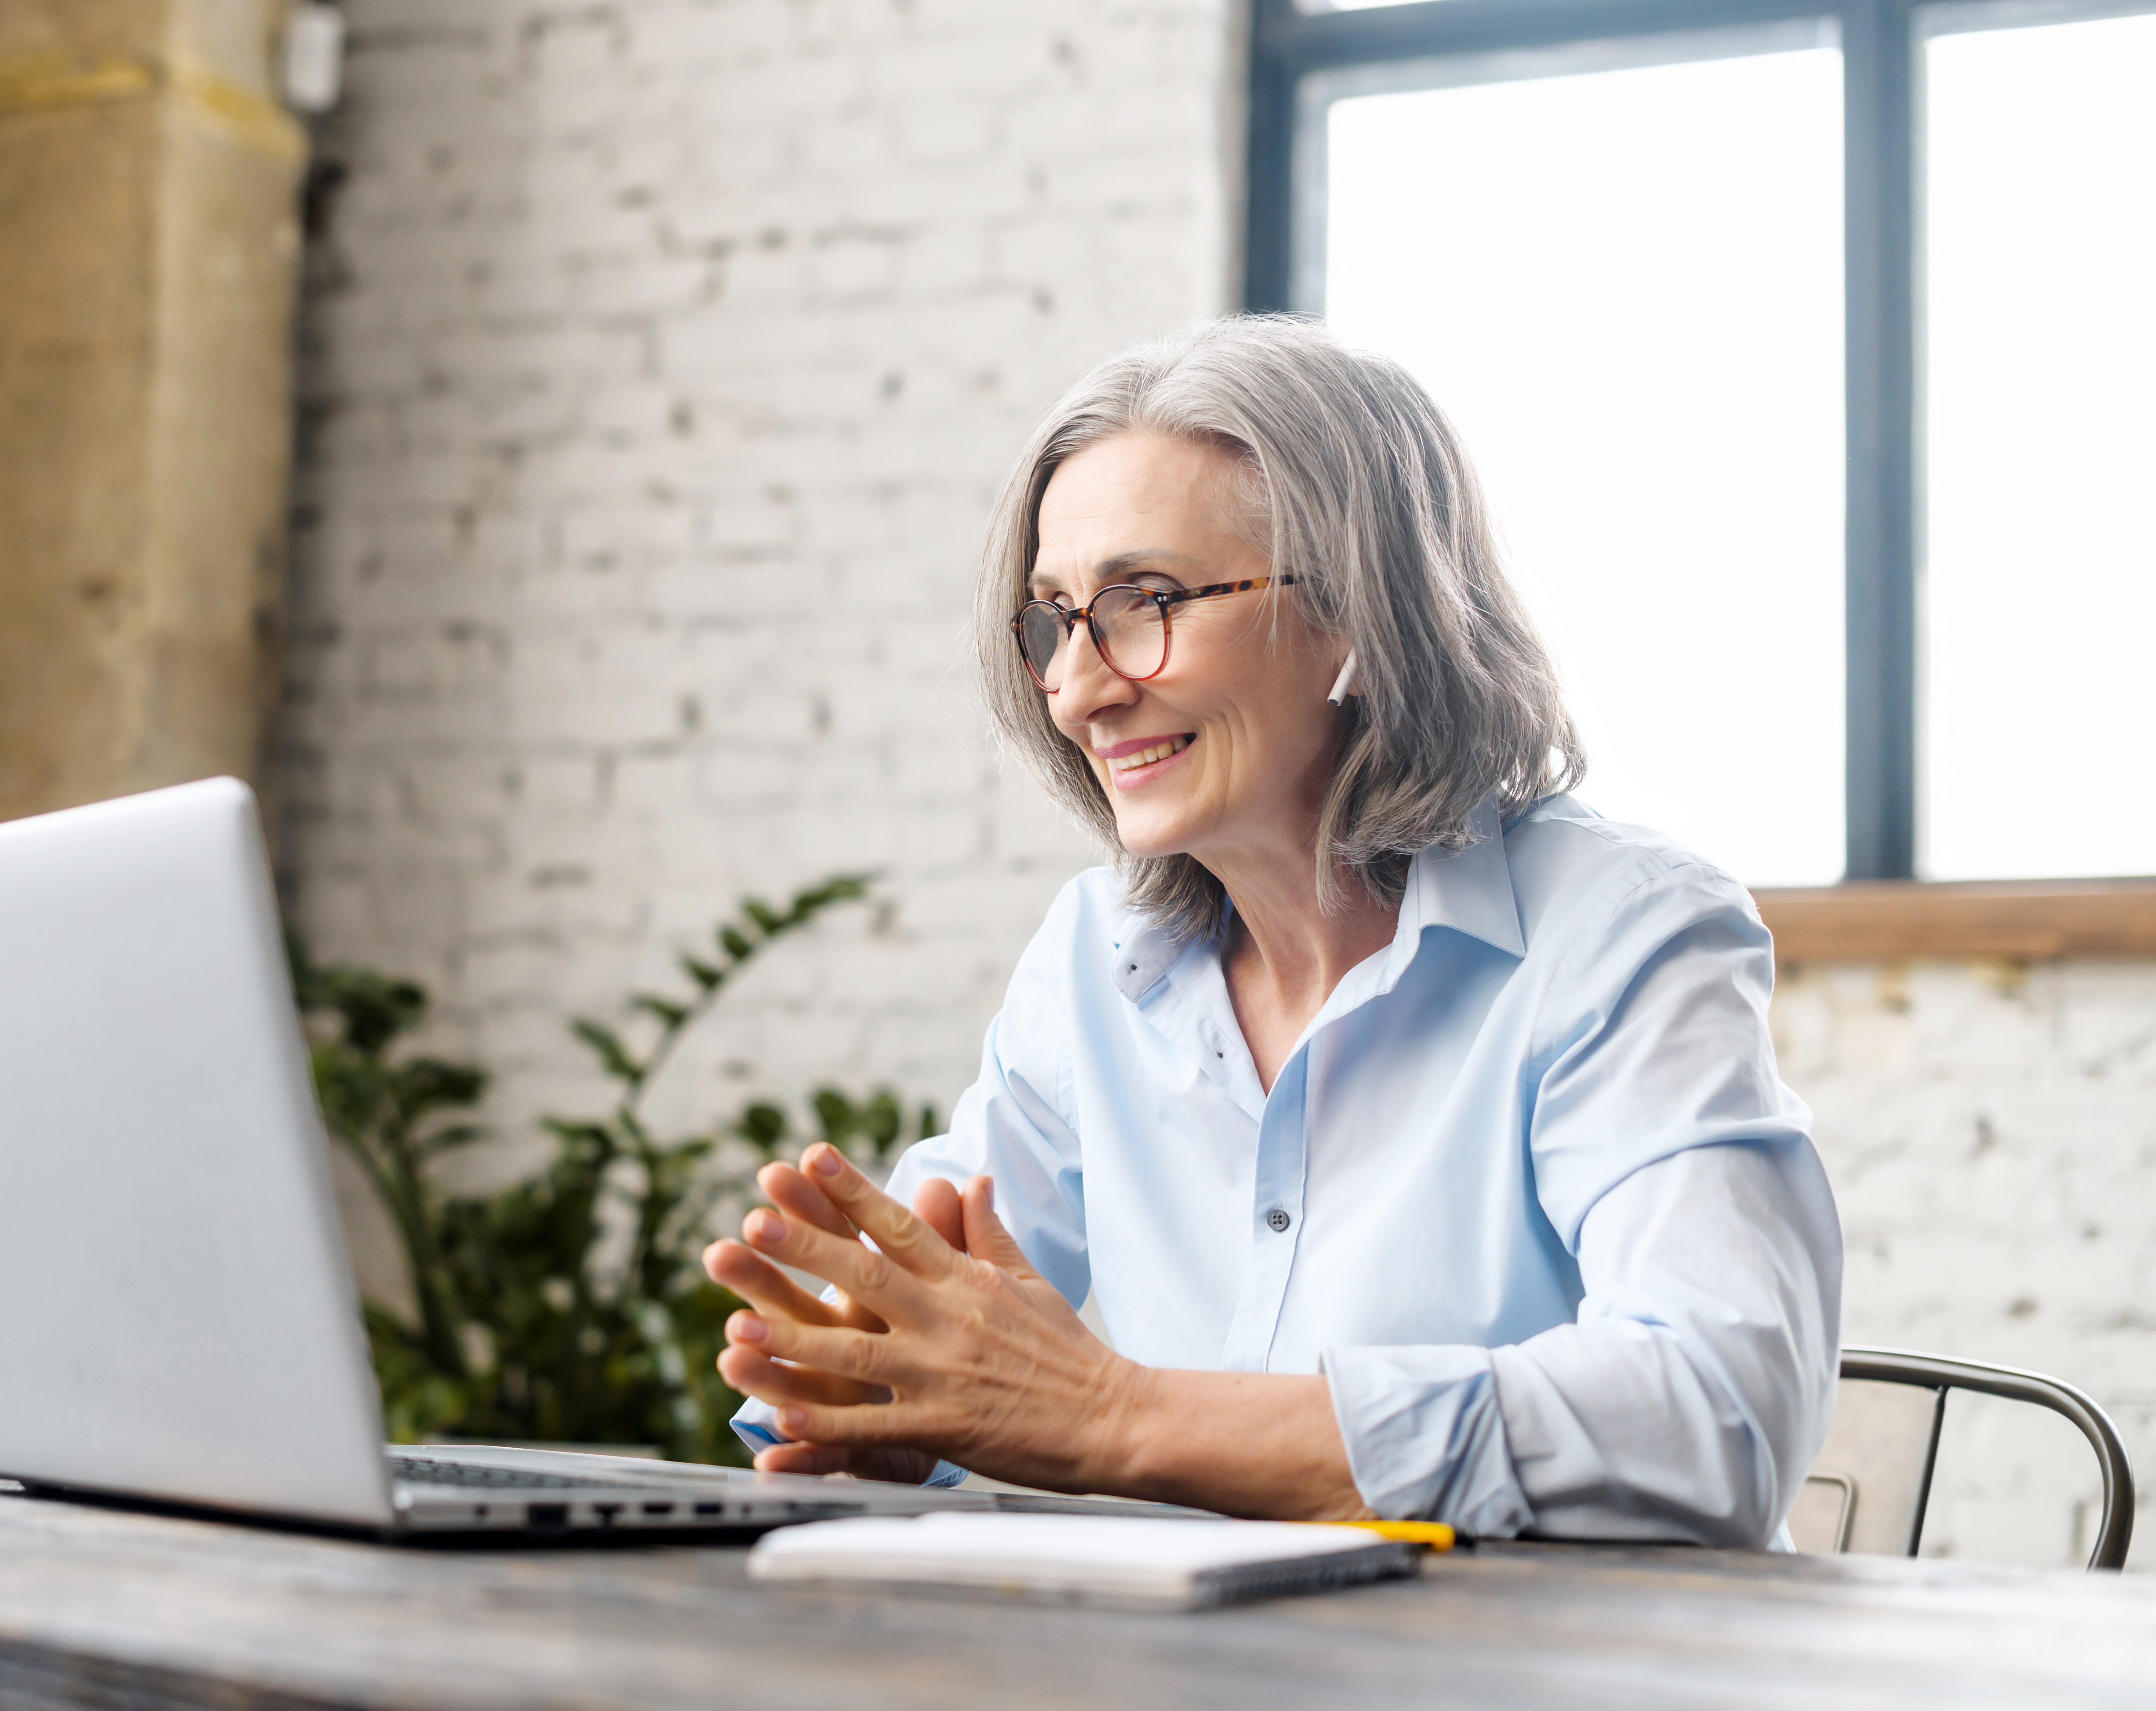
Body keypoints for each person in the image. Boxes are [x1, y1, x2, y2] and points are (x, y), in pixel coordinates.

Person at [702, 316, 1842, 1544]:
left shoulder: (1620, 934)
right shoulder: (1094, 960)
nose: (1080, 689)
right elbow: (899, 1368)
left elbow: (1714, 1421)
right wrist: (858, 1400)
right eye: (1052, 620)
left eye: (1147, 602)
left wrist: (1113, 1418)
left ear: (1357, 610)